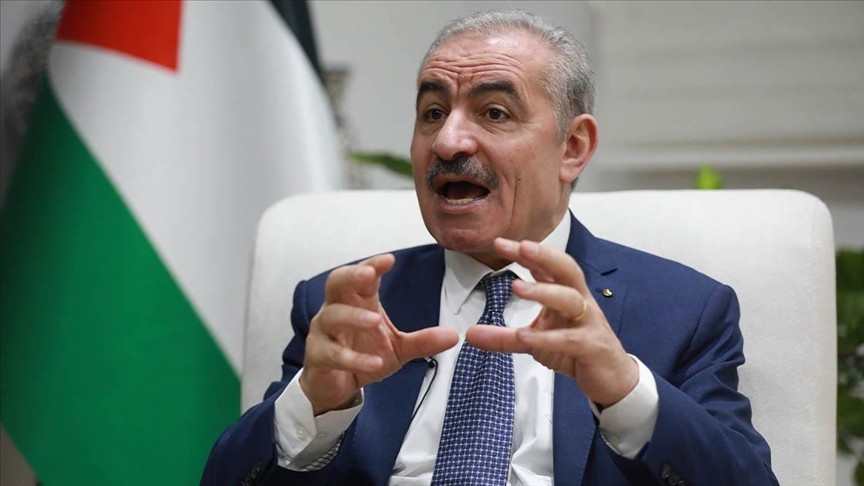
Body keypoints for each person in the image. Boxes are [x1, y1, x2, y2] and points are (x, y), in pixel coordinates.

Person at [202, 9, 777, 486]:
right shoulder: (350, 307)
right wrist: (313, 403)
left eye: (494, 113)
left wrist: (625, 390)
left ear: (573, 147)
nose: (448, 141)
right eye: (432, 113)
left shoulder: (683, 310)